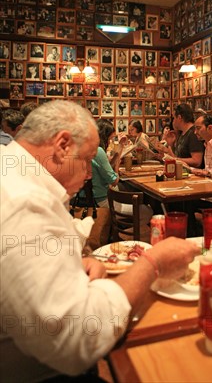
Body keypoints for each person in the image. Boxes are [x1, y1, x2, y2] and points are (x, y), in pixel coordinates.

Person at [0, 101, 199, 381]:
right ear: (61, 146)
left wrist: (69, 263)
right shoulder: (25, 202)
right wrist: (153, 262)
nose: (90, 174)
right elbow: (75, 338)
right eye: (86, 159)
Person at [158, 103, 204, 168]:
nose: (173, 121)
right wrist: (170, 145)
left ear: (179, 118)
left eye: (174, 118)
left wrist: (175, 159)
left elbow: (197, 161)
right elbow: (176, 157)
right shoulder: (182, 133)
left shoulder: (193, 133)